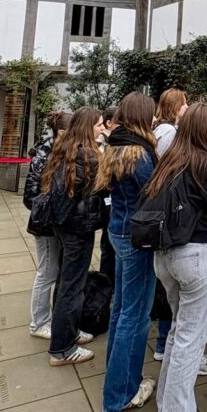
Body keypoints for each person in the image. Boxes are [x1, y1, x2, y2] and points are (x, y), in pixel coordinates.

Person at [142, 103, 207, 412]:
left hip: (165, 257)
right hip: (195, 257)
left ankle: (167, 409)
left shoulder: (167, 161)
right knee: (191, 341)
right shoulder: (205, 165)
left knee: (178, 332)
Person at [97, 92, 160, 412]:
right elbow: (155, 193)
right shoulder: (141, 154)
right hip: (138, 237)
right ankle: (121, 393)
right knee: (135, 315)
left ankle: (117, 374)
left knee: (121, 308)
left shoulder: (114, 145)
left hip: (118, 230)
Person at [40, 107, 105, 365]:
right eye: (99, 125)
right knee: (73, 286)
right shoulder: (88, 154)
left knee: (66, 281)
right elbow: (98, 187)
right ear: (88, 127)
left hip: (63, 225)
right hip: (78, 228)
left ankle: (67, 330)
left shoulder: (65, 148)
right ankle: (62, 349)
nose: (102, 128)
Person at [25, 111, 72, 340]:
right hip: (44, 226)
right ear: (62, 131)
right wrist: (51, 210)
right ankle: (39, 322)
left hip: (56, 224)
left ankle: (49, 318)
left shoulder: (58, 151)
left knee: (54, 270)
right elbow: (31, 195)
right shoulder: (45, 153)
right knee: (46, 272)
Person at [151, 89, 189, 360]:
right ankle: (166, 344)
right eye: (184, 104)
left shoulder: (162, 132)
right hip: (168, 214)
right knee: (171, 291)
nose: (187, 108)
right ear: (176, 107)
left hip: (161, 214)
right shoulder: (169, 135)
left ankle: (166, 342)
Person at [97, 107, 118, 285]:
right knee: (108, 246)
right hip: (106, 199)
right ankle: (105, 284)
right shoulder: (102, 143)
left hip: (111, 200)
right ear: (109, 123)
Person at [154, 89, 188, 157]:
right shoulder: (169, 131)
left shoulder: (167, 128)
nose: (187, 107)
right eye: (183, 104)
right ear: (174, 106)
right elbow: (161, 159)